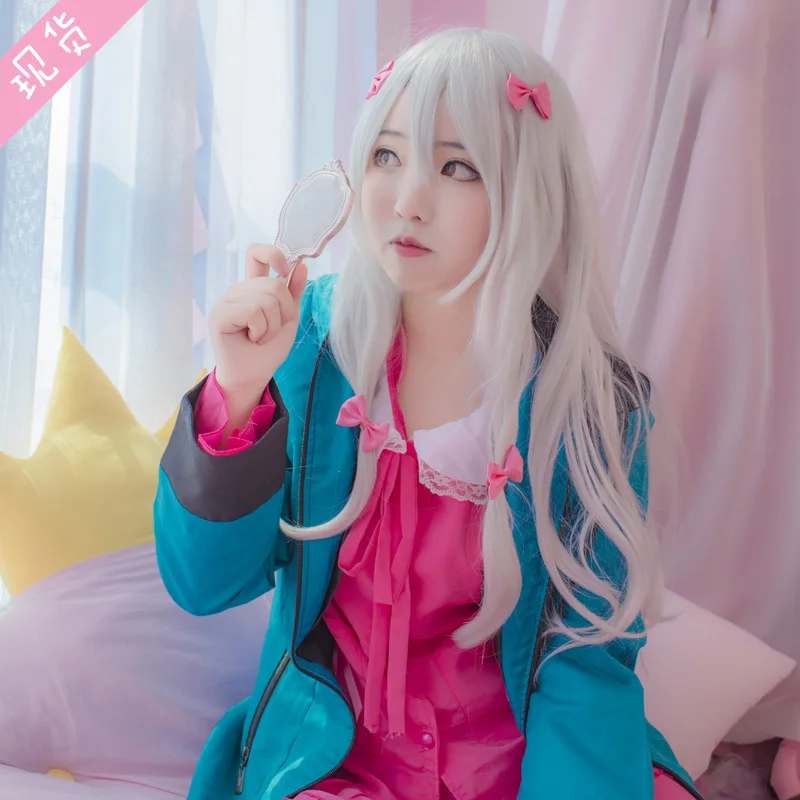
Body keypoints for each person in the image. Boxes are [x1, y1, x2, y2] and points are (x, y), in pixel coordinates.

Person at [154, 27, 701, 800]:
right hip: (336, 760)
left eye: (457, 167)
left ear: (527, 191)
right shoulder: (309, 348)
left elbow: (585, 659)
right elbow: (202, 585)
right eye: (386, 156)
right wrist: (237, 391)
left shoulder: (593, 404)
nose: (407, 201)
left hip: (531, 760)